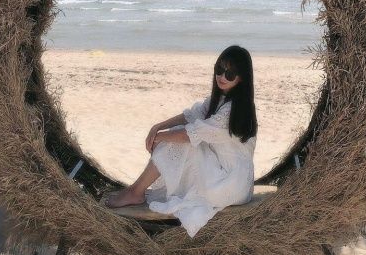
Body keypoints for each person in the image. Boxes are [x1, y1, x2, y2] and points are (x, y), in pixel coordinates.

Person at [102, 45, 258, 238]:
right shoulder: (220, 100)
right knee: (175, 136)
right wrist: (158, 127)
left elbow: (190, 134)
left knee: (177, 140)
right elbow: (190, 116)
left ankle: (136, 191)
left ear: (241, 78)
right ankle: (136, 190)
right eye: (219, 69)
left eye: (230, 73)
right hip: (228, 175)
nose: (222, 76)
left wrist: (159, 137)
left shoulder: (233, 110)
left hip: (230, 184)